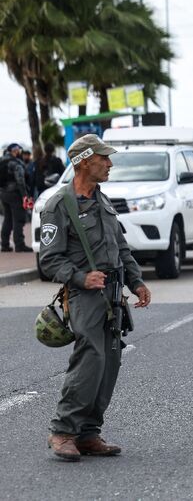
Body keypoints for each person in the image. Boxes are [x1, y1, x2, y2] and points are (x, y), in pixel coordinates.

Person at [38, 134, 151, 461]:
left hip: (113, 294)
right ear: (84, 161)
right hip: (86, 295)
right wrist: (80, 277)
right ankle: (62, 431)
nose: (110, 164)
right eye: (104, 158)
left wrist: (136, 281)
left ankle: (89, 433)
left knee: (110, 362)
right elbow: (49, 259)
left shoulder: (102, 200)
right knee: (91, 359)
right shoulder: (60, 205)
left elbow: (121, 247)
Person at [0, 143, 31, 252]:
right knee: (18, 220)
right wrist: (25, 196)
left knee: (7, 219)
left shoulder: (2, 161)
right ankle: (19, 245)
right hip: (15, 194)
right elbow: (20, 180)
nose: (20, 153)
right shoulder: (15, 163)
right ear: (15, 151)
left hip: (3, 194)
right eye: (18, 150)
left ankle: (4, 244)